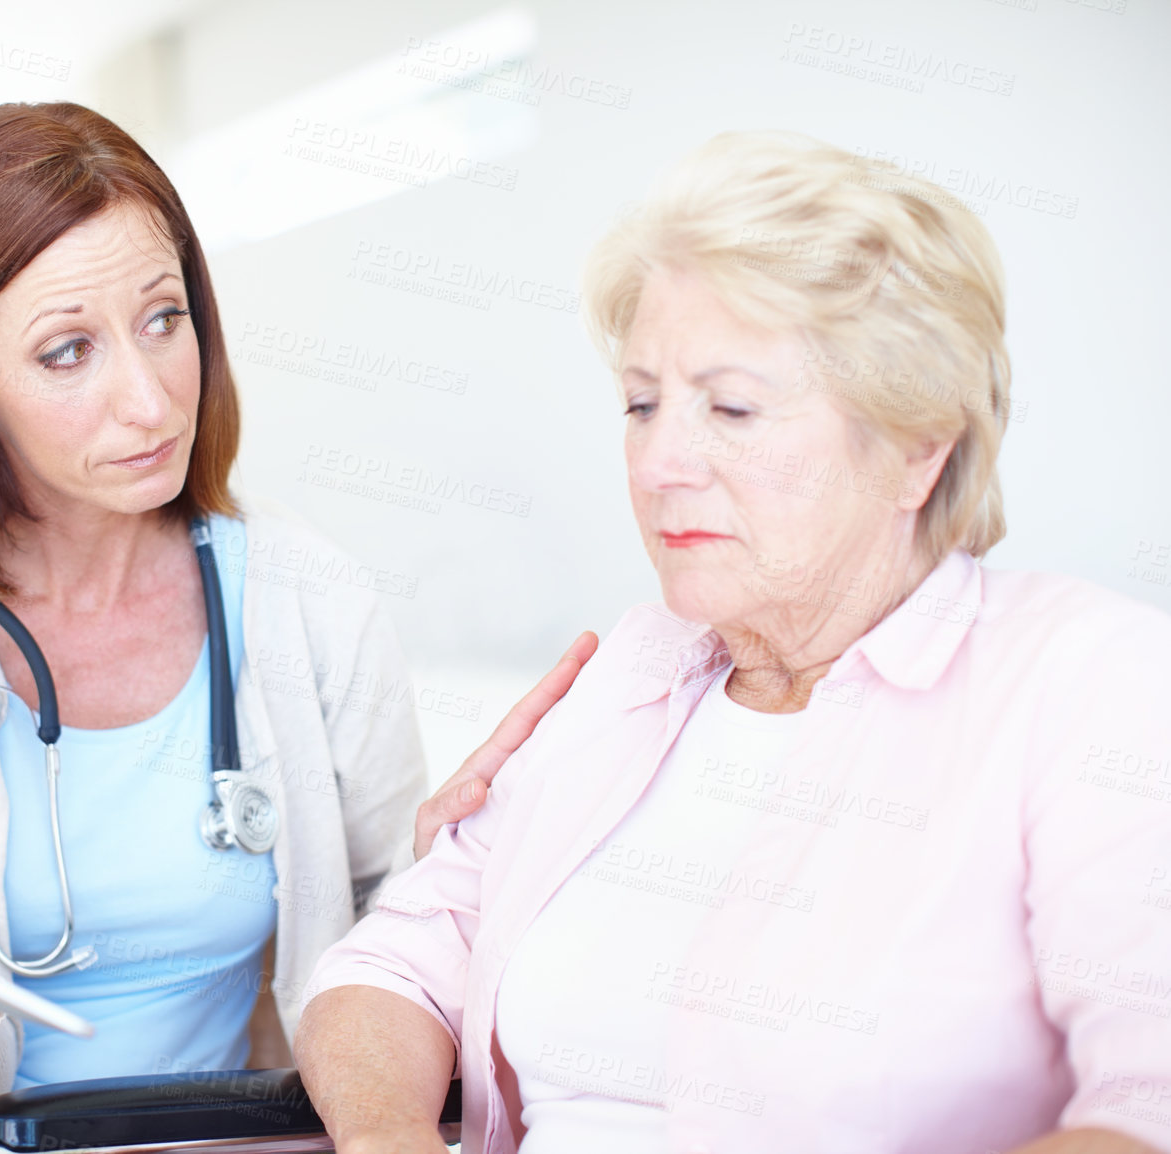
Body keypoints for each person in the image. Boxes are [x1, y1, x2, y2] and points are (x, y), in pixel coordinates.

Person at [0, 102, 592, 1153]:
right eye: (66, 352)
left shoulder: (306, 594)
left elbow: (387, 944)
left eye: (163, 318)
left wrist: (456, 870)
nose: (149, 400)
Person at [295, 131, 1171, 1154]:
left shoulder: (1085, 683)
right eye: (641, 402)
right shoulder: (631, 670)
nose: (660, 459)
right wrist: (388, 1135)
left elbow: (1146, 1111)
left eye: (733, 407)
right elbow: (390, 963)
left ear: (917, 445)